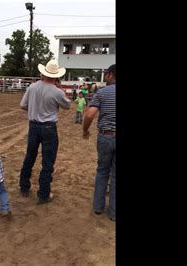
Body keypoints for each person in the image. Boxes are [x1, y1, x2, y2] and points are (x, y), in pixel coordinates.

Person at [19, 59, 71, 204]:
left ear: (43, 72)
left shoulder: (32, 87)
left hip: (33, 126)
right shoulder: (57, 91)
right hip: (49, 128)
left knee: (30, 156)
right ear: (55, 76)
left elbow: (23, 105)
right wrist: (59, 88)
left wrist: (34, 110)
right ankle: (43, 194)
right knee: (47, 161)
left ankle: (24, 186)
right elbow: (67, 106)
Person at [82, 64, 116, 222]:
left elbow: (89, 115)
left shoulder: (102, 92)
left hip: (106, 136)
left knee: (102, 171)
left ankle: (98, 207)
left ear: (110, 75)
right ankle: (113, 213)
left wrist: (85, 130)